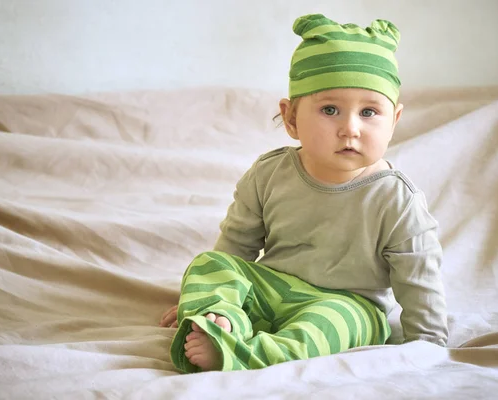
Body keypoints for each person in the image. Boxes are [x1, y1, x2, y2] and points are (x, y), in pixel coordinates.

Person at [159, 13, 448, 373]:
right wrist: (210, 298)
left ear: (394, 120)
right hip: (272, 287)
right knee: (208, 264)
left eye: (369, 111)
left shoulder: (396, 200)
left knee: (325, 326)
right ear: (291, 117)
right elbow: (236, 247)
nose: (350, 128)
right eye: (330, 109)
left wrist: (428, 342)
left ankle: (237, 353)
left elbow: (419, 278)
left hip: (349, 304)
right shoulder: (269, 173)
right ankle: (223, 320)